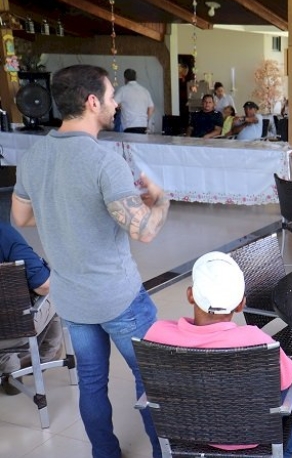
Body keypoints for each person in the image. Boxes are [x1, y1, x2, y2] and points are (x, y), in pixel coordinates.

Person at [11, 64, 170, 458]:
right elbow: (144, 232)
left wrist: (61, 207)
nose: (116, 103)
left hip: (72, 299)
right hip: (119, 298)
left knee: (93, 382)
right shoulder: (104, 162)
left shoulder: (33, 157)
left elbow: (20, 218)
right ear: (92, 101)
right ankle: (162, 452)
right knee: (152, 378)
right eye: (112, 96)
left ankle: (104, 453)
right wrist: (162, 200)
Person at [144, 252, 292, 457]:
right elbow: (291, 374)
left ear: (190, 295)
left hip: (186, 436)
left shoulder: (157, 335)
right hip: (247, 438)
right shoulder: (255, 342)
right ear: (240, 304)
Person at [0, 223, 62, 396]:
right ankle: (45, 356)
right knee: (55, 288)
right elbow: (43, 286)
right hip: (12, 331)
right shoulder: (4, 234)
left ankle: (10, 368)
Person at [113, 69, 154, 134]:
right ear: (136, 77)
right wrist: (146, 119)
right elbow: (151, 108)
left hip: (129, 126)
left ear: (125, 78)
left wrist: (119, 106)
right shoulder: (144, 91)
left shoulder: (123, 90)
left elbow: (113, 104)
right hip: (143, 126)